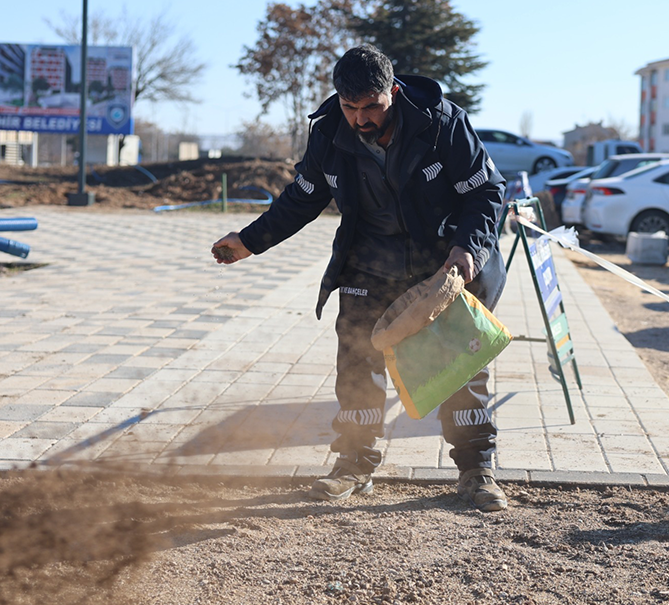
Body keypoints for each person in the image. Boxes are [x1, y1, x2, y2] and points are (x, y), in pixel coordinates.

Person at [210, 44, 509, 512]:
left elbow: (487, 191)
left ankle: (476, 469)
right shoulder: (330, 132)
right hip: (370, 260)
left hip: (444, 262)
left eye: (372, 106)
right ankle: (353, 464)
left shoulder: (442, 123)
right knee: (356, 359)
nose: (361, 118)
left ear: (393, 91)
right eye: (351, 107)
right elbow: (302, 197)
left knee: (459, 364)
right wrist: (250, 240)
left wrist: (467, 249)